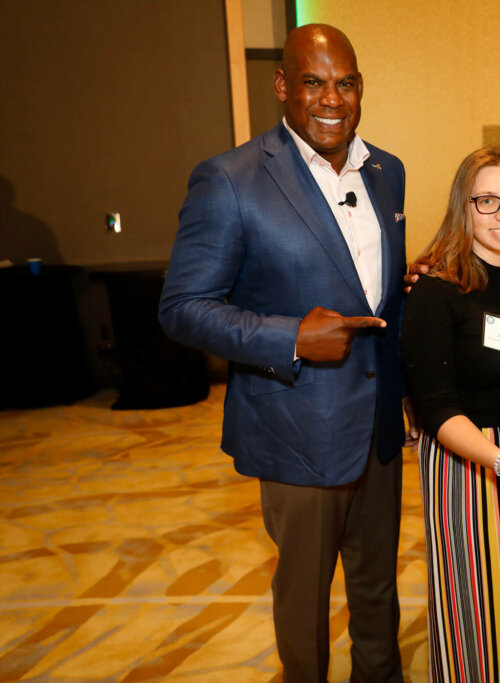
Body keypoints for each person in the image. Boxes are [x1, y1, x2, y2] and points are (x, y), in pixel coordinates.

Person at [159, 24, 407, 682]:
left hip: (379, 429)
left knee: (377, 587)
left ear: (361, 88)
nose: (332, 98)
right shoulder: (230, 179)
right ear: (281, 86)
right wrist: (290, 337)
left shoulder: (387, 170)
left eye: (345, 83)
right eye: (313, 82)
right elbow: (183, 307)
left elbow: (378, 295)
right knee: (304, 598)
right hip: (297, 429)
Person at [402, 148, 500, 682]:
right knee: (475, 607)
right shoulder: (435, 290)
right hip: (466, 461)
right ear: (462, 207)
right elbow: (436, 408)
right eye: (487, 201)